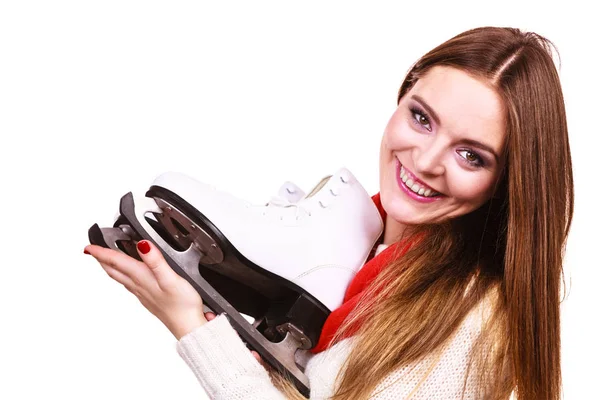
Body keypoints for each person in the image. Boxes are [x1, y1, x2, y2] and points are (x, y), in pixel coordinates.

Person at [84, 26, 573, 399]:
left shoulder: (474, 326)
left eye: (472, 156)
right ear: (400, 98)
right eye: (420, 118)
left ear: (507, 183)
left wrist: (194, 330)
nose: (425, 162)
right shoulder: (376, 263)